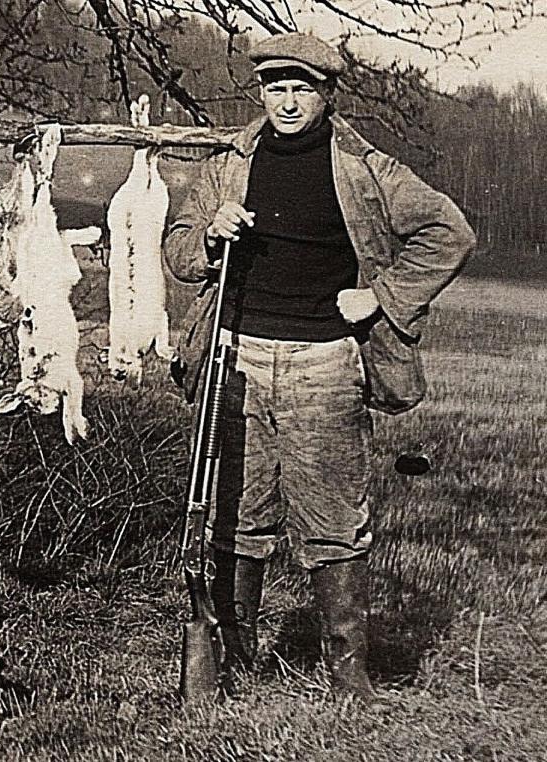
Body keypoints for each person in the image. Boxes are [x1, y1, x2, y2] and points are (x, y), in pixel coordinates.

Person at [164, 33, 475, 701]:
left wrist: (382, 296)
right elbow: (178, 251)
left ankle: (348, 677)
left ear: (327, 94)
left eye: (302, 88)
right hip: (234, 358)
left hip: (326, 365)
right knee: (236, 518)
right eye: (276, 88)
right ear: (262, 93)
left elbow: (449, 231)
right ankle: (233, 660)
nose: (287, 101)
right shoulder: (228, 164)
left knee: (334, 521)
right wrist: (207, 236)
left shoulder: (364, 168)